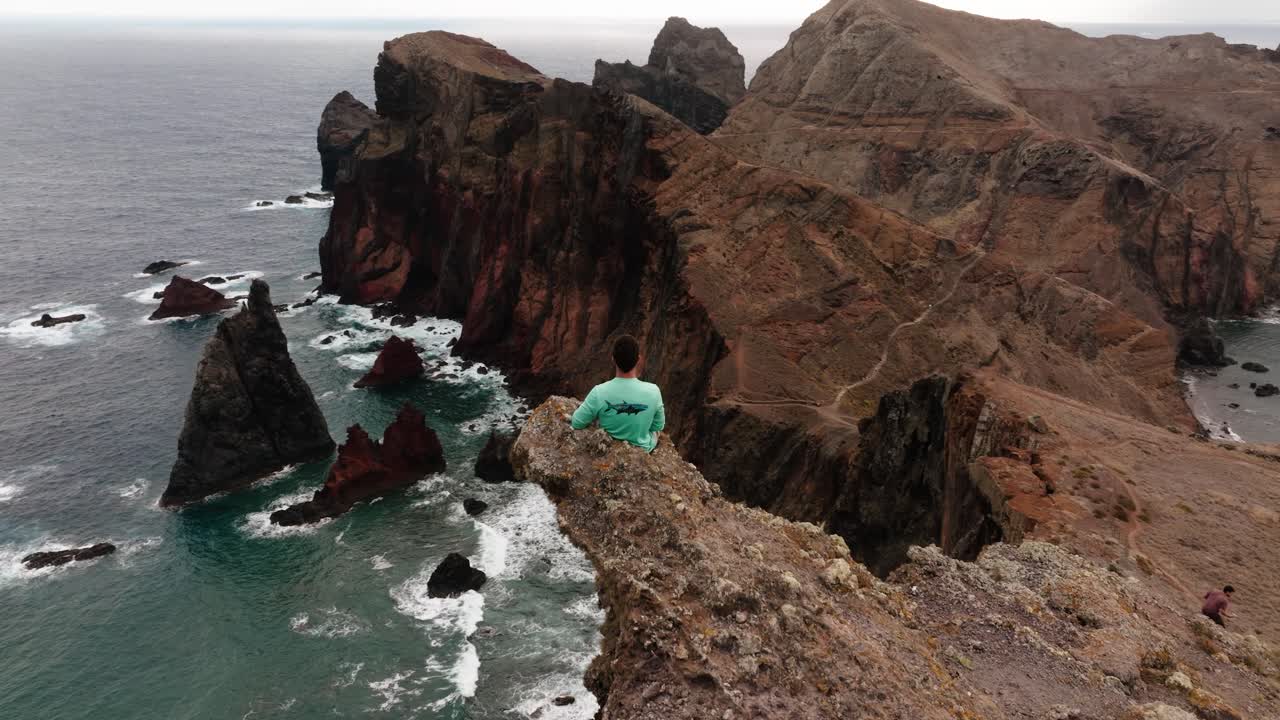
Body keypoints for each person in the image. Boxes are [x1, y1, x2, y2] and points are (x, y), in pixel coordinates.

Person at [570, 335, 665, 452]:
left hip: (608, 450)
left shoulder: (599, 392)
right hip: (643, 450)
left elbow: (577, 422)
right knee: (656, 433)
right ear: (638, 359)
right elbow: (658, 426)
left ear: (613, 359)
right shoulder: (654, 391)